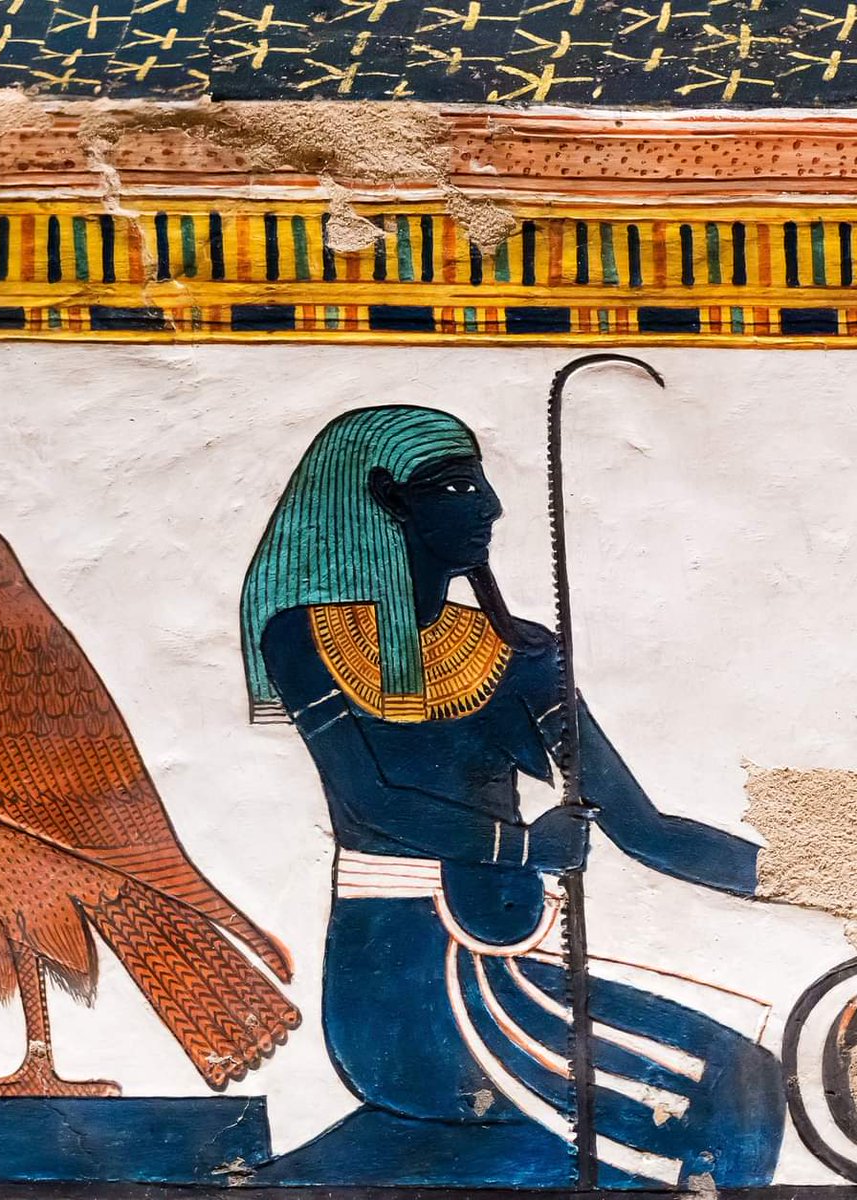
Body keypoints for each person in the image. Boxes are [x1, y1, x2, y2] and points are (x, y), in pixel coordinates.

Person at [241, 405, 784, 1188]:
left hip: (507, 959)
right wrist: (528, 848)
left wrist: (812, 876)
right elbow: (373, 800)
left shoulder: (519, 653)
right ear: (387, 502)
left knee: (748, 1084)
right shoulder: (303, 638)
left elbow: (643, 829)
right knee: (726, 1098)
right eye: (457, 487)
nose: (490, 507)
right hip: (402, 984)